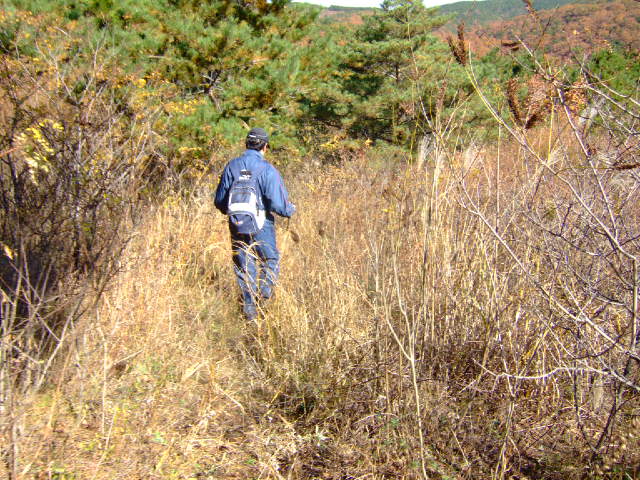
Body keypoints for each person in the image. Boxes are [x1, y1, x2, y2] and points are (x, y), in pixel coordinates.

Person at [214, 128, 296, 321]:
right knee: (269, 260)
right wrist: (291, 209)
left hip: (236, 224)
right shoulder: (267, 169)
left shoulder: (232, 166)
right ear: (265, 146)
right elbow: (279, 205)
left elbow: (220, 201)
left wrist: (235, 214)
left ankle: (250, 315)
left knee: (244, 267)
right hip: (262, 224)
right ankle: (263, 299)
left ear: (246, 144)